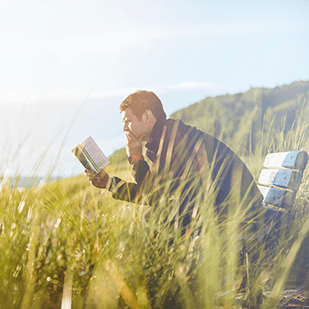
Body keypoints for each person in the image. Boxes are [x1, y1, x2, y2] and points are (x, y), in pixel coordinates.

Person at [85, 90, 263, 228]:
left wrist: (136, 157)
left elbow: (153, 196)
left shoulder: (173, 139)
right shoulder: (165, 137)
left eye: (128, 120)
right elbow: (155, 193)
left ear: (146, 116)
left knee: (156, 216)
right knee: (155, 215)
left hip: (240, 215)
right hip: (226, 208)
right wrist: (109, 183)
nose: (124, 128)